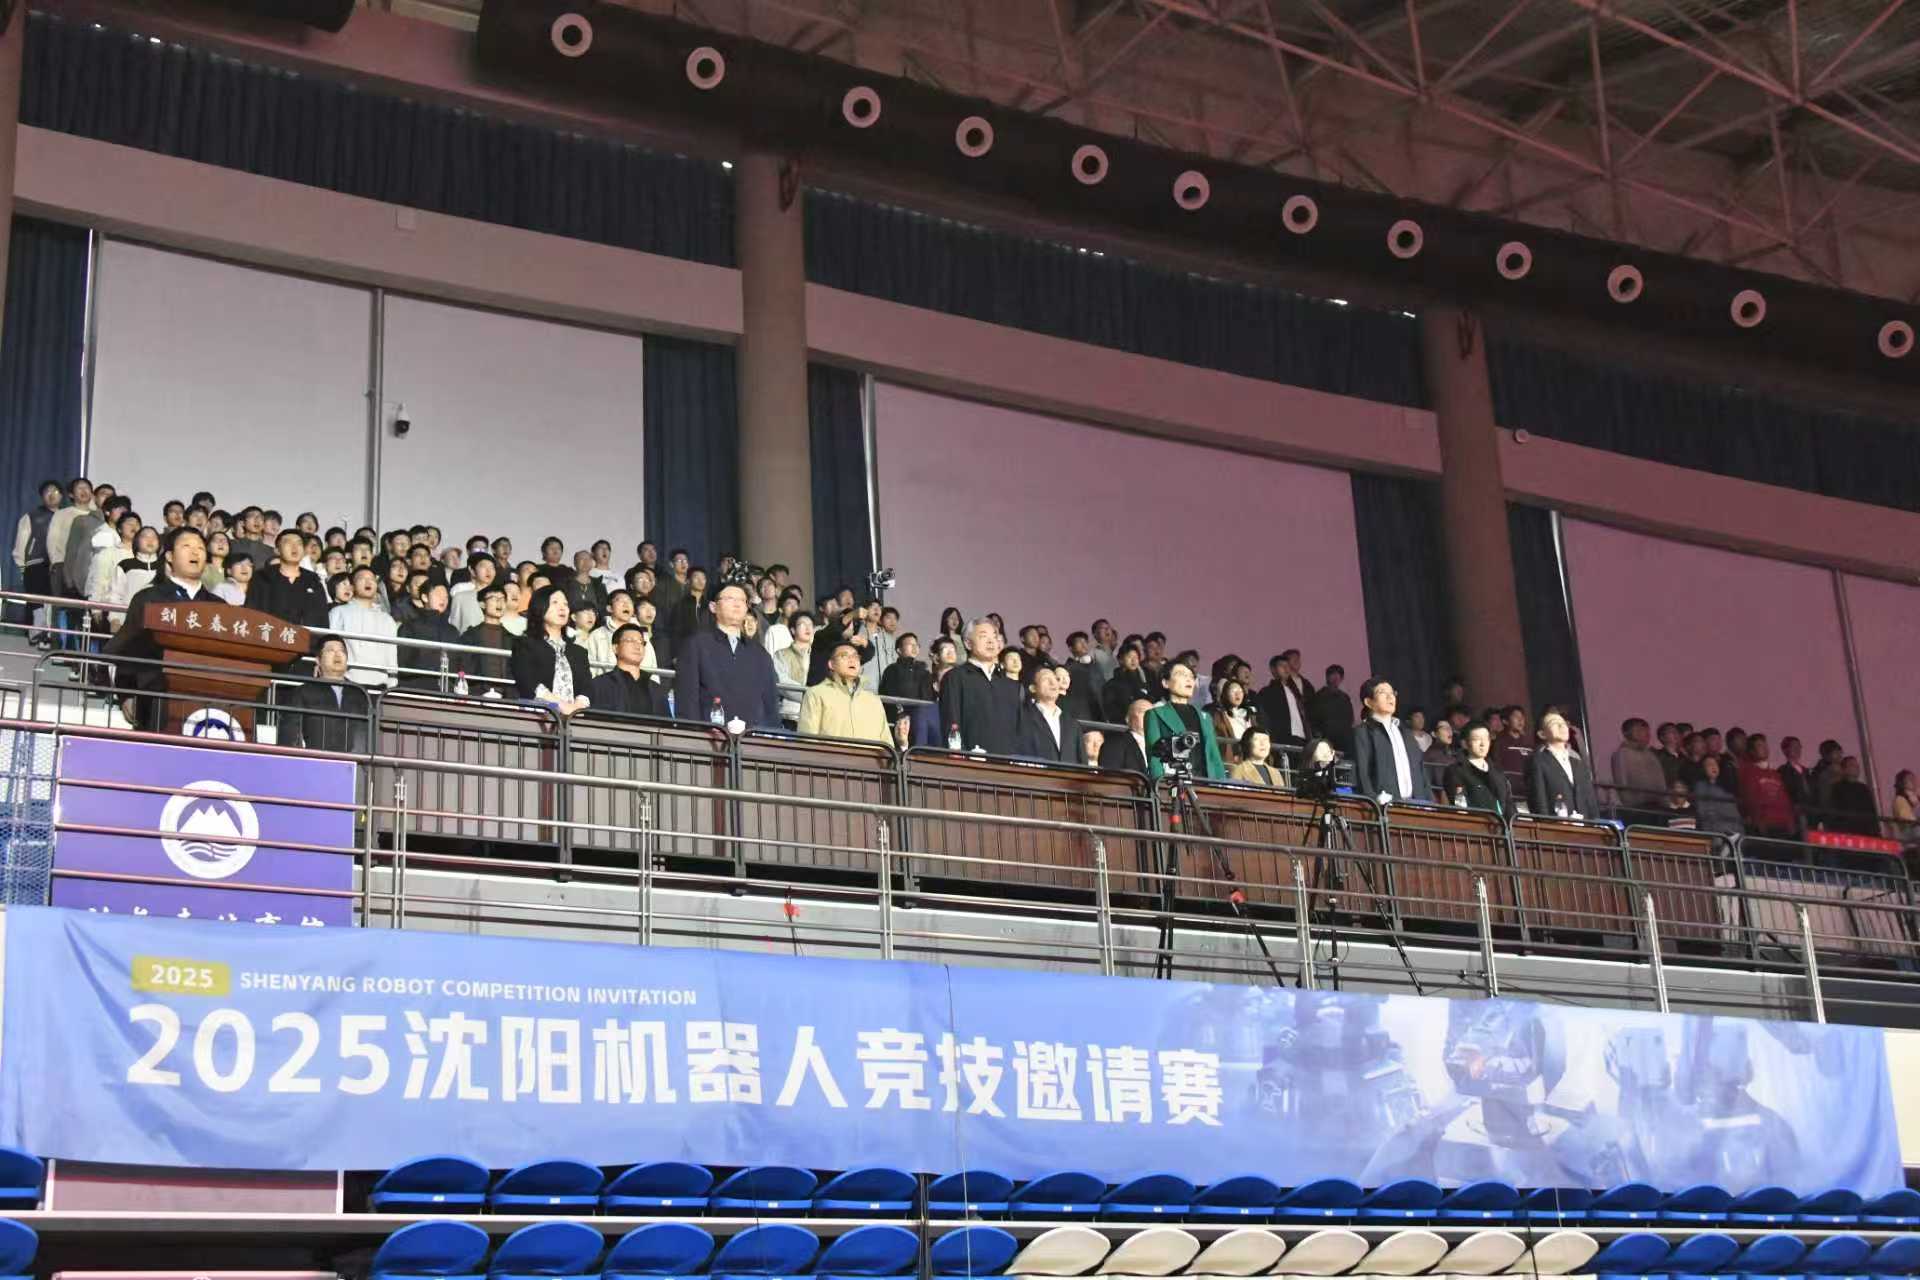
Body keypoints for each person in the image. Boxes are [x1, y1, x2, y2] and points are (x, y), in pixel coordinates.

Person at [103, 527, 217, 729]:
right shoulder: (149, 599)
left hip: (207, 702)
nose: (195, 552)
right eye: (187, 546)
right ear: (170, 557)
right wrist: (126, 693)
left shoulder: (219, 607)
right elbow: (129, 648)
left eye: (200, 548)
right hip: (155, 698)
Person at [675, 581, 781, 728]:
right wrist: (694, 735)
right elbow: (687, 699)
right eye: (730, 599)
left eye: (742, 600)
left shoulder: (760, 654)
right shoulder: (696, 645)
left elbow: (771, 708)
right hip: (708, 736)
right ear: (713, 607)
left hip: (751, 738)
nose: (737, 604)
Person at [940, 617, 1022, 755]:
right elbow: (951, 722)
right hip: (972, 761)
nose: (991, 641)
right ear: (968, 643)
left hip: (1008, 762)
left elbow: (1019, 731)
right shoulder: (955, 677)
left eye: (994, 637)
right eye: (983, 636)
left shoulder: (1010, 685)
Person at [275, 636, 370, 753]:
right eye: (330, 650)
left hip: (353, 762)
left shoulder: (359, 693)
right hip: (317, 761)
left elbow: (366, 736)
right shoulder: (303, 692)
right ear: (318, 660)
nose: (337, 654)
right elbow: (290, 735)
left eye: (342, 651)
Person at [511, 584, 592, 715]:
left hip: (574, 719)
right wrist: (562, 706)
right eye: (555, 602)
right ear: (540, 608)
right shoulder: (525, 644)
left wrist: (576, 708)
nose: (562, 608)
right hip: (538, 716)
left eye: (565, 604)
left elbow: (586, 687)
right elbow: (528, 681)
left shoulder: (579, 652)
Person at [1143, 658, 1223, 781]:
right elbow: (1154, 758)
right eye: (1181, 674)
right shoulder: (1155, 714)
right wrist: (1160, 785)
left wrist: (1221, 786)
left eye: (1191, 676)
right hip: (1175, 783)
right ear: (1165, 683)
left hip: (1206, 784)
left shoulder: (1205, 717)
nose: (1189, 679)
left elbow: (1215, 758)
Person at [798, 641, 891, 744]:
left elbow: (886, 742)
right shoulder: (816, 694)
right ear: (831, 664)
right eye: (844, 656)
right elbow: (807, 740)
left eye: (856, 656)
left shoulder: (873, 700)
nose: (852, 660)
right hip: (831, 754)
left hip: (869, 755)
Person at [1352, 676, 1426, 804]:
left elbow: (1421, 772)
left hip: (1417, 806)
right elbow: (1362, 773)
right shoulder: (1363, 732)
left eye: (1392, 693)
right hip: (1384, 806)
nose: (1390, 697)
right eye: (1382, 692)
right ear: (1369, 702)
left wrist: (1429, 803)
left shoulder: (1406, 733)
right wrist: (1373, 800)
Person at [328, 566, 401, 688]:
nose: (368, 582)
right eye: (362, 578)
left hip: (380, 684)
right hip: (347, 680)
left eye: (372, 579)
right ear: (352, 586)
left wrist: (392, 682)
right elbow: (331, 645)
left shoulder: (387, 619)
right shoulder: (339, 612)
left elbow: (391, 653)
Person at [247, 529, 332, 629]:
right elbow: (251, 614)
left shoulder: (313, 581)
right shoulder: (262, 577)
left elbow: (322, 620)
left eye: (299, 544)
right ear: (277, 550)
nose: (294, 547)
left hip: (305, 637)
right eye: (288, 543)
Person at [11, 479, 62, 645]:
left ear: (62, 496)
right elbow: (21, 543)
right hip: (35, 563)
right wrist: (22, 566)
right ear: (42, 496)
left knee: (54, 602)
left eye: (55, 491)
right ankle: (36, 632)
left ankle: (51, 634)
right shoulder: (31, 516)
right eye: (47, 492)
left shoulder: (66, 517)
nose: (51, 495)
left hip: (59, 565)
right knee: (36, 600)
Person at [1527, 710, 1599, 819]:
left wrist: (1596, 824)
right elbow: (1538, 800)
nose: (1562, 726)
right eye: (1554, 723)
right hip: (1556, 825)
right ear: (1542, 734)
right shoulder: (1538, 761)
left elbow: (1590, 801)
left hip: (1585, 825)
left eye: (1564, 723)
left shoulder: (1578, 763)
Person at [588, 623, 667, 719]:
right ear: (615, 648)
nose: (637, 646)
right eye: (630, 640)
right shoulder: (599, 685)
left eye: (641, 642)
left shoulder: (657, 690)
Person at [1013, 665, 1086, 766]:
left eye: (1055, 679)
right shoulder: (1022, 718)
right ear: (1033, 688)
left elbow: (1082, 763)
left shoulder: (1072, 724)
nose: (1053, 683)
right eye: (1046, 679)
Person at [398, 580, 462, 690]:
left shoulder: (452, 630)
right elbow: (403, 663)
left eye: (446, 597)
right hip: (416, 688)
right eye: (438, 594)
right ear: (425, 597)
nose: (443, 599)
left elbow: (457, 664)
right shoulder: (409, 627)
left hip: (448, 689)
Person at [1444, 723, 1513, 818]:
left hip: (1501, 824)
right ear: (1465, 744)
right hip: (1475, 823)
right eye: (1477, 739)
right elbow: (1460, 805)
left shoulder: (1498, 772)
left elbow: (1509, 805)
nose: (1482, 744)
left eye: (1486, 739)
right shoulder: (1456, 771)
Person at [1735, 734, 1796, 838]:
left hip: (1783, 825)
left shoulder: (1776, 774)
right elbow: (1750, 798)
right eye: (1759, 745)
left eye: (1765, 745)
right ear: (1752, 751)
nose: (1764, 748)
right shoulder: (1747, 772)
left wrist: (1790, 822)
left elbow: (1784, 800)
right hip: (1765, 826)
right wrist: (1757, 821)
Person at [1609, 717, 1670, 819]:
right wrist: (1630, 805)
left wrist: (1665, 803)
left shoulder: (1650, 754)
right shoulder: (1622, 754)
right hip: (1637, 809)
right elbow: (1622, 784)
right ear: (1628, 733)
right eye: (1640, 730)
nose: (1646, 734)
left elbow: (1661, 781)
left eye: (1646, 730)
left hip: (1658, 806)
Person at [460, 584, 514, 690]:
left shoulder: (512, 639)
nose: (500, 602)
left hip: (505, 695)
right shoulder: (470, 636)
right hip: (477, 693)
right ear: (482, 604)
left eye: (503, 599)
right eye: (494, 598)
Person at [1258, 650, 1314, 748]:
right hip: (1282, 738)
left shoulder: (1295, 691)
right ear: (1273, 670)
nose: (1286, 668)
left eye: (1287, 666)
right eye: (1281, 666)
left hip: (1302, 738)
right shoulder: (1267, 692)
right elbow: (1264, 718)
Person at [772, 613, 815, 727]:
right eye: (802, 624)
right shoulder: (781, 654)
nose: (808, 628)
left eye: (810, 625)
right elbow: (782, 681)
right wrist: (812, 695)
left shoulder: (818, 655)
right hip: (790, 714)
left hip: (814, 715)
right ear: (793, 630)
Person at [1691, 754, 1744, 837]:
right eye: (1709, 765)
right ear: (1703, 769)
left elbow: (1735, 814)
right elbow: (1703, 812)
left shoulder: (1727, 787)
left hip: (1735, 832)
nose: (1713, 767)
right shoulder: (1700, 787)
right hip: (1717, 833)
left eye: (1715, 764)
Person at [1828, 757, 1881, 837]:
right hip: (1847, 832)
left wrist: (1876, 831)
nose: (1856, 768)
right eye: (1852, 765)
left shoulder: (1864, 788)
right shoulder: (1837, 788)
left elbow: (1871, 811)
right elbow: (1835, 812)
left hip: (1866, 832)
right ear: (1844, 769)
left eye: (1857, 766)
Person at [1307, 664, 1355, 752]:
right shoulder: (1319, 696)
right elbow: (1313, 718)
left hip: (1344, 739)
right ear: (1327, 677)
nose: (1336, 677)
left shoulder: (1345, 697)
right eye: (1333, 674)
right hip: (1326, 739)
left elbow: (1350, 718)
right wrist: (1319, 735)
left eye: (1339, 674)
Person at [1210, 678, 1257, 766]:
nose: (1237, 694)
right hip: (1232, 761)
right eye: (1233, 691)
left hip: (1251, 759)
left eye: (1240, 691)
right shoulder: (1219, 716)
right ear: (1225, 694)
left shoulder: (1250, 715)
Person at [1100, 642, 1150, 724]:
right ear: (1120, 660)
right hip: (1122, 726)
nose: (1133, 660)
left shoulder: (1143, 683)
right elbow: (1110, 710)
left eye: (1136, 657)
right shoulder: (1112, 685)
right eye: (1129, 657)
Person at [1099, 698, 1152, 774]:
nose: (1150, 715)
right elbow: (1110, 776)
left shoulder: (1163, 744)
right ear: (1128, 719)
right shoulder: (1115, 744)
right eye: (1143, 711)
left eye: (1153, 713)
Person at [447, 553, 497, 632]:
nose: (489, 571)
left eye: (492, 567)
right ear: (472, 570)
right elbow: (454, 624)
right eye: (483, 566)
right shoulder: (460, 592)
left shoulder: (499, 595)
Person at [1495, 706, 1533, 786]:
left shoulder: (1529, 743)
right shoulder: (1499, 742)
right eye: (1516, 717)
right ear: (1505, 721)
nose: (1520, 720)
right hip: (1508, 787)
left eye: (1522, 717)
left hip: (1528, 787)